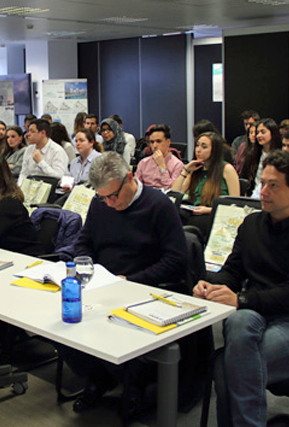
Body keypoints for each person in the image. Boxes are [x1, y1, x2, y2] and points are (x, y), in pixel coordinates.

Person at [194, 150, 289, 427]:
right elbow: (233, 271)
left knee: (228, 365)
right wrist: (212, 285)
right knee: (240, 319)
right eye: (263, 183)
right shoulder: (251, 224)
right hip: (256, 314)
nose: (264, 191)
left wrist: (242, 299)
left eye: (274, 185)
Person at [65, 152, 188, 413]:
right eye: (102, 197)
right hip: (101, 285)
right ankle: (98, 378)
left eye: (113, 196)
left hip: (142, 290)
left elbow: (176, 261)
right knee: (61, 323)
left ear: (130, 178)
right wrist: (81, 265)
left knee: (105, 325)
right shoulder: (100, 204)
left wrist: (129, 281)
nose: (109, 203)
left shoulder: (159, 206)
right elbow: (84, 241)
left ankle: (132, 385)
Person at [172, 132, 240, 235]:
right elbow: (175, 194)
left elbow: (235, 205)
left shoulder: (227, 169)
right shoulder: (196, 169)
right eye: (197, 145)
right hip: (195, 213)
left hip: (214, 215)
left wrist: (208, 210)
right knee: (173, 214)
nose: (198, 150)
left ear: (214, 150)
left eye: (204, 147)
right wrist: (186, 170)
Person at [17, 118, 69, 186]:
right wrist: (19, 188)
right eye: (28, 131)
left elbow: (58, 177)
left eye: (32, 131)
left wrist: (40, 162)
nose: (28, 134)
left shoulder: (57, 151)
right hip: (31, 189)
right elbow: (24, 173)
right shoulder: (29, 149)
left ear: (43, 133)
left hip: (52, 190)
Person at [134, 124, 184, 189]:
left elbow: (172, 190)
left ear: (168, 142)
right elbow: (135, 187)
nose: (154, 145)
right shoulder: (143, 163)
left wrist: (162, 167)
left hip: (165, 197)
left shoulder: (177, 165)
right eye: (152, 142)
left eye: (158, 141)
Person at [243, 118, 282, 193]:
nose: (258, 136)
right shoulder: (252, 154)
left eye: (263, 132)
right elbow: (246, 179)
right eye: (257, 132)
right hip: (254, 197)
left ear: (273, 133)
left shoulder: (281, 156)